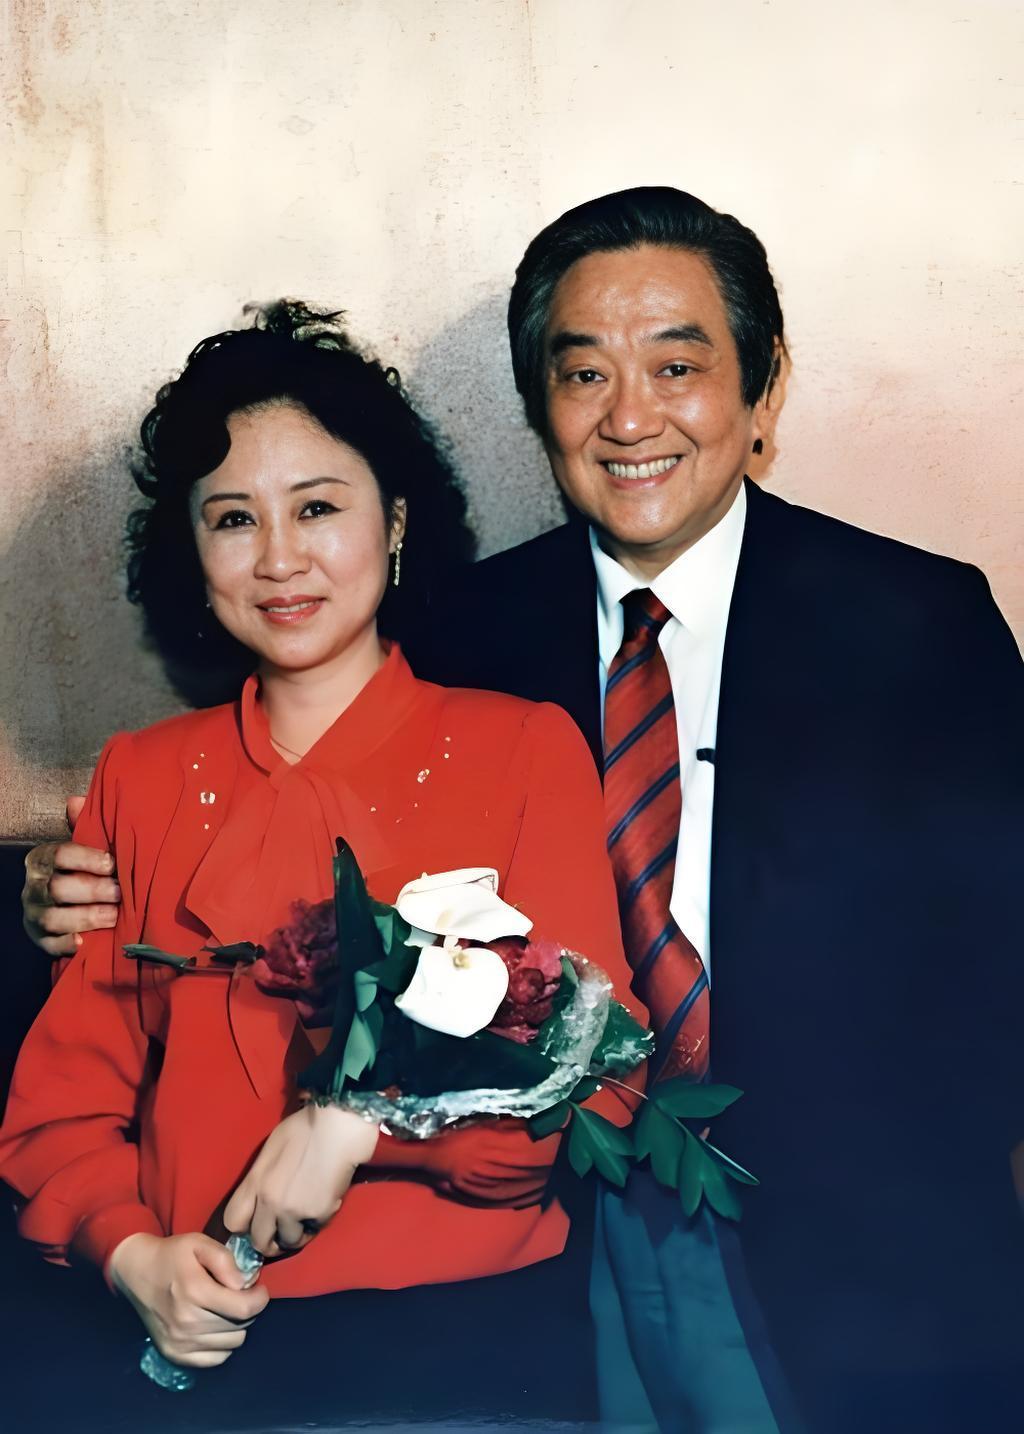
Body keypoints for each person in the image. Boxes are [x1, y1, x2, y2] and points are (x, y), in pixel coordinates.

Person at [21, 189, 1024, 1434]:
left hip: (861, 1240)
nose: (630, 417)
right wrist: (72, 885)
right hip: (565, 1246)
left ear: (763, 391)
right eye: (583, 372)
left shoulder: (919, 624)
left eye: (676, 366)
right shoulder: (463, 628)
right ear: (537, 407)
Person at [1, 301, 643, 1431]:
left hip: (468, 1350)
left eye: (317, 507)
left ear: (394, 523)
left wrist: (365, 1121)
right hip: (197, 1344)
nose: (279, 558)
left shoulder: (522, 748)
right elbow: (63, 1107)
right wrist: (129, 1253)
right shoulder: (142, 776)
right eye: (233, 519)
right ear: (193, 553)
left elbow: (601, 1074)